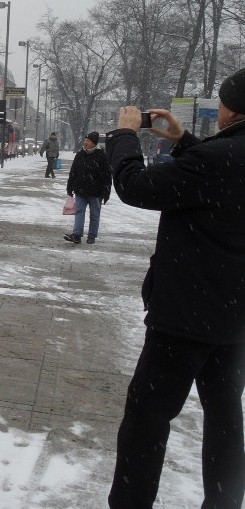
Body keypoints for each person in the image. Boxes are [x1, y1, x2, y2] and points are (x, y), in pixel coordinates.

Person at [105, 70, 245, 509]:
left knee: (146, 422)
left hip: (184, 319)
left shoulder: (218, 159)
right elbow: (222, 180)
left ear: (231, 108)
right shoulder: (223, 157)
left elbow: (135, 187)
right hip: (235, 322)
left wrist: (125, 136)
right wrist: (184, 140)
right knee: (225, 422)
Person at [63, 131, 111, 244]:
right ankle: (76, 235)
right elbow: (73, 172)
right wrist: (70, 187)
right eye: (85, 140)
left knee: (94, 215)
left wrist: (106, 192)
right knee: (79, 212)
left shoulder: (101, 156)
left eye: (88, 141)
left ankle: (92, 236)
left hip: (96, 192)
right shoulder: (80, 155)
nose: (85, 143)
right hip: (81, 190)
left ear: (94, 142)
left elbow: (107, 176)